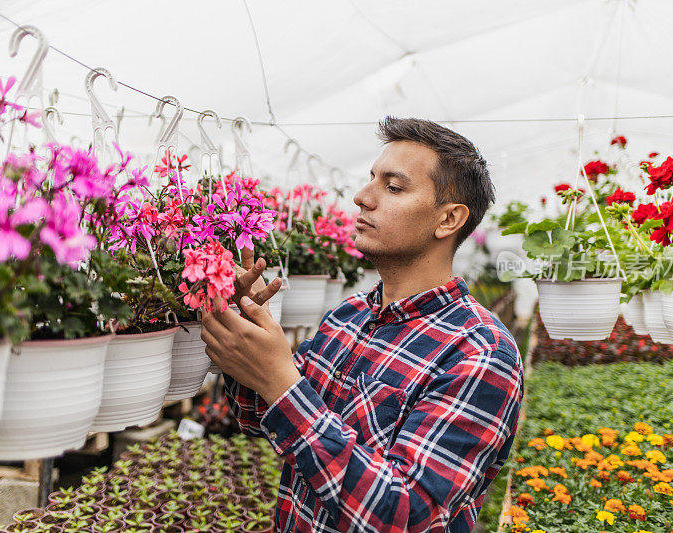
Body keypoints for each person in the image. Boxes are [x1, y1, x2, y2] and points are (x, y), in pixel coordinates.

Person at [201, 116, 524, 532]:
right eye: (370, 179)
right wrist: (246, 342)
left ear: (448, 220)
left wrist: (281, 381)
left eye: (393, 187)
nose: (361, 197)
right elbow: (256, 417)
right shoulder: (346, 317)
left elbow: (404, 515)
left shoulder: (480, 353)